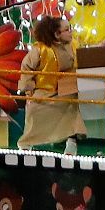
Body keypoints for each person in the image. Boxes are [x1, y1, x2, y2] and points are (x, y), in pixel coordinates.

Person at [16, 16, 83, 155]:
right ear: (56, 34)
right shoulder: (40, 49)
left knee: (73, 104)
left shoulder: (73, 45)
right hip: (43, 90)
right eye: (66, 30)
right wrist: (29, 87)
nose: (71, 32)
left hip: (66, 88)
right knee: (34, 107)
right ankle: (28, 142)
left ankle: (71, 141)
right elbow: (26, 67)